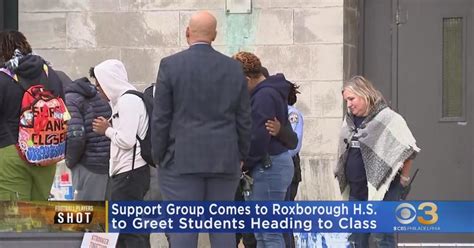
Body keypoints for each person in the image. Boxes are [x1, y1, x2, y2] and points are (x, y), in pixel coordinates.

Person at [151, 11, 251, 248]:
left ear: (187, 32)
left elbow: (161, 118)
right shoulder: (234, 69)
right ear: (215, 35)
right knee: (222, 227)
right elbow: (244, 119)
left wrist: (159, 156)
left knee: (184, 228)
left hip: (180, 160)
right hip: (225, 160)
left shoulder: (170, 66)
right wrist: (241, 155)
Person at [334, 75, 420, 247]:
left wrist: (403, 180)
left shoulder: (389, 118)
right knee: (356, 240)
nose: (349, 104)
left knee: (382, 239)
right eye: (346, 101)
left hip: (384, 191)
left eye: (352, 99)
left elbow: (408, 150)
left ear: (364, 94)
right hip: (356, 191)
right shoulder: (349, 119)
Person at [233, 51, 294, 248]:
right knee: (262, 233)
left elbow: (258, 137)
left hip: (268, 167)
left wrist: (244, 162)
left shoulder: (263, 96)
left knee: (268, 233)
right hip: (270, 166)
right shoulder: (268, 93)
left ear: (245, 79)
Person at [91, 59, 150, 248]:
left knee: (130, 230)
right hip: (125, 173)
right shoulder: (121, 102)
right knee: (123, 229)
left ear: (109, 81)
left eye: (99, 84)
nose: (97, 89)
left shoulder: (128, 101)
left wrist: (106, 130)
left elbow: (127, 140)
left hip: (130, 173)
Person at [0, 30, 65, 201]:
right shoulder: (51, 75)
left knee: (14, 219)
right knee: (39, 213)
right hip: (46, 152)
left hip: (11, 152)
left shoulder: (3, 78)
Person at [265, 80, 304, 248]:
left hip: (287, 166)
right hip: (273, 166)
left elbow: (294, 145)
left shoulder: (291, 113)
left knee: (284, 218)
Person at [64, 67, 112, 201]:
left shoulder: (69, 99)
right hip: (108, 163)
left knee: (87, 216)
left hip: (87, 165)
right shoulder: (99, 94)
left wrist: (70, 160)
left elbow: (76, 136)